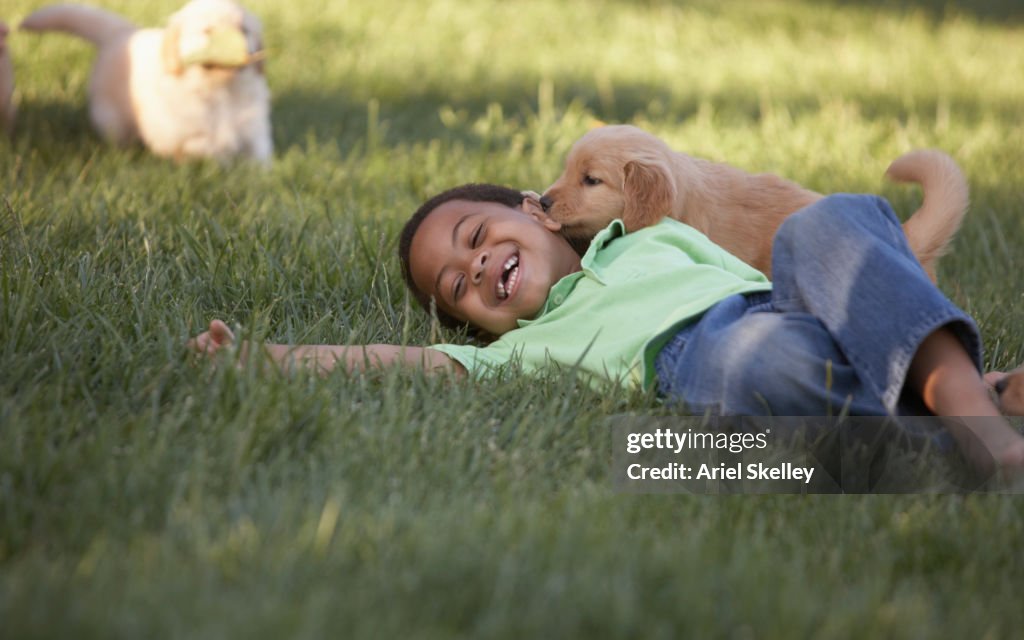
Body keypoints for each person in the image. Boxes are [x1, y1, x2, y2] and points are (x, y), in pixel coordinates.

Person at [190, 183, 1024, 470]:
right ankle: (962, 414)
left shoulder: (652, 235)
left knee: (826, 222)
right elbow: (405, 360)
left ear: (540, 213)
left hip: (789, 304)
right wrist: (271, 355)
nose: (475, 269)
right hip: (721, 356)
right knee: (747, 360)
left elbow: (806, 264)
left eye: (477, 239)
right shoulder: (528, 351)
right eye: (457, 285)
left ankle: (968, 407)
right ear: (473, 325)